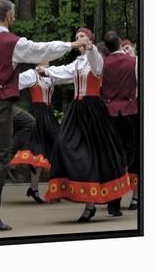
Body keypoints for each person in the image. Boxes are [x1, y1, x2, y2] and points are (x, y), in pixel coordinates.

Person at [0, 0, 88, 231]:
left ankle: (9, 154)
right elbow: (42, 49)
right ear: (10, 17)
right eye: (13, 14)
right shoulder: (14, 43)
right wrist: (72, 45)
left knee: (28, 121)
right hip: (0, 105)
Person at [42, 27, 130, 222]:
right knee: (63, 143)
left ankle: (91, 205)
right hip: (77, 109)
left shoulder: (95, 58)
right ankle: (78, 190)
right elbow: (63, 73)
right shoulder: (77, 63)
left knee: (96, 153)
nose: (78, 39)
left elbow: (97, 67)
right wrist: (46, 70)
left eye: (82, 36)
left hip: (93, 110)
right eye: (76, 37)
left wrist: (90, 48)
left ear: (89, 40)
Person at [8, 65, 61, 203]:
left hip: (48, 114)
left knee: (56, 149)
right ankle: (34, 187)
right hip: (37, 114)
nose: (47, 60)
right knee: (38, 151)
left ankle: (53, 189)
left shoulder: (52, 75)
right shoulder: (32, 75)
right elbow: (15, 81)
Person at [102, 31, 139, 212]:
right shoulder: (134, 62)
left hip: (109, 113)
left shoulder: (103, 63)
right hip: (130, 112)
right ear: (118, 43)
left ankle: (114, 201)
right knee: (131, 155)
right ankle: (134, 194)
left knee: (113, 155)